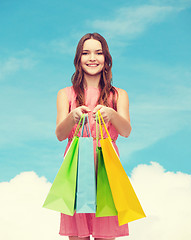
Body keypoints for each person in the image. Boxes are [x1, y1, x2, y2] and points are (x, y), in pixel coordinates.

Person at [55, 33, 132, 240]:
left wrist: (112, 114)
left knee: (105, 232)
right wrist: (72, 117)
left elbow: (125, 131)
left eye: (98, 53)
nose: (92, 58)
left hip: (106, 165)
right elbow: (60, 135)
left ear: (106, 59)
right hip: (77, 166)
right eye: (85, 53)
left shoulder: (119, 94)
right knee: (78, 234)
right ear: (78, 59)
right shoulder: (65, 94)